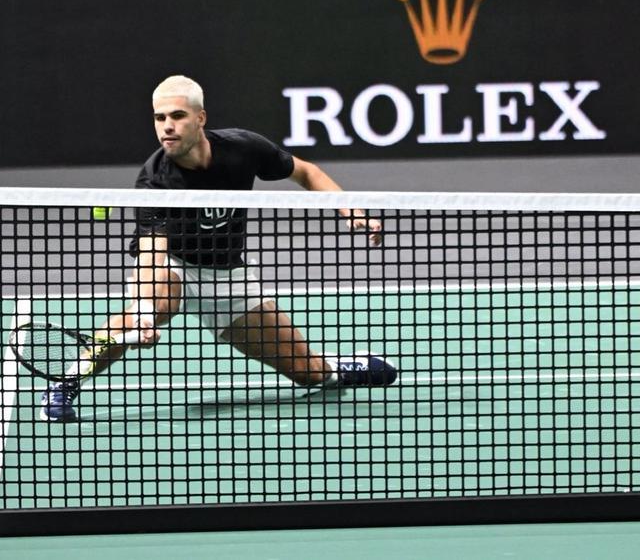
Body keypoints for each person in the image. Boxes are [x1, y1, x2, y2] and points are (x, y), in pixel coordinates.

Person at [40, 75, 397, 422]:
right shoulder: (155, 181)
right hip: (176, 267)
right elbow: (151, 254)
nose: (167, 127)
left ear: (200, 118)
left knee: (308, 373)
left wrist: (351, 212)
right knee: (148, 309)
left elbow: (306, 172)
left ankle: (335, 367)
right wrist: (146, 313)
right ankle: (65, 383)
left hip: (227, 276)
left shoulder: (242, 148)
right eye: (159, 118)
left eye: (177, 116)